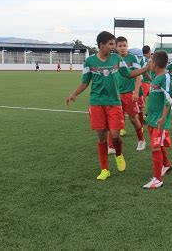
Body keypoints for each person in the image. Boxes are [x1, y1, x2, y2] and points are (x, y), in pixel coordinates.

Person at [65, 31, 149, 181]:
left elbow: (128, 73)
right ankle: (105, 169)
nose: (113, 47)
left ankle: (118, 154)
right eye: (110, 44)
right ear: (101, 45)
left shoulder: (116, 58)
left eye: (114, 44)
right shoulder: (90, 61)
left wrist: (146, 68)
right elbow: (85, 82)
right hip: (96, 102)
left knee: (115, 135)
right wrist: (74, 94)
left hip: (114, 102)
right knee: (101, 135)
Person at [107, 36, 147, 153]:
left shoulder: (132, 58)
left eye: (125, 45)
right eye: (120, 46)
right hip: (116, 94)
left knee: (133, 119)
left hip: (129, 94)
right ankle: (111, 145)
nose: (122, 48)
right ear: (116, 47)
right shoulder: (112, 58)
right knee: (113, 120)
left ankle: (141, 140)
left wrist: (136, 91)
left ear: (127, 46)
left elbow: (138, 75)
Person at [143, 51, 172, 189]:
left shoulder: (165, 77)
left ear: (154, 63)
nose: (149, 62)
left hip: (159, 120)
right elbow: (152, 83)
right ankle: (166, 165)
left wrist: (162, 118)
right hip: (152, 118)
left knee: (155, 147)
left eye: (151, 61)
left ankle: (157, 179)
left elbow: (169, 100)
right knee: (158, 145)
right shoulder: (156, 76)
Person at [139, 45, 155, 124]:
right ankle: (141, 117)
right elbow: (144, 71)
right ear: (149, 51)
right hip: (144, 82)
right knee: (142, 101)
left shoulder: (143, 59)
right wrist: (151, 80)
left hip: (146, 83)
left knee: (151, 99)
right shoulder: (145, 60)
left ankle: (147, 115)